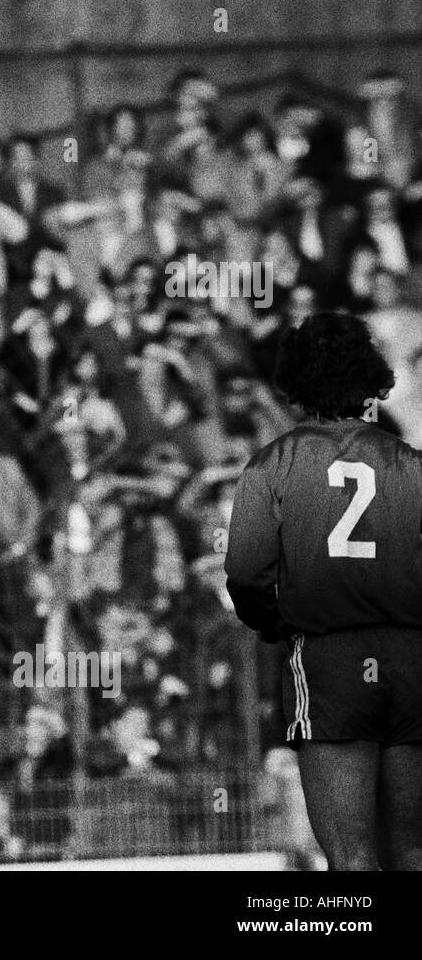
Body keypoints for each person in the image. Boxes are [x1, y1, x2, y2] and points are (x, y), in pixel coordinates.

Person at [226, 312, 422, 870]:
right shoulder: (414, 465)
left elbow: (245, 574)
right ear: (369, 384)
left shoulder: (274, 463)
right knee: (412, 850)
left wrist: (276, 623)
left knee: (351, 856)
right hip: (412, 660)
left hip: (330, 660)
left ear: (298, 387)